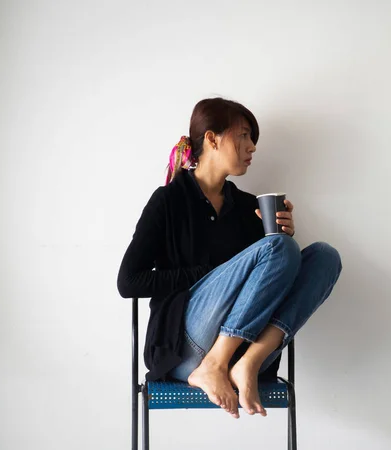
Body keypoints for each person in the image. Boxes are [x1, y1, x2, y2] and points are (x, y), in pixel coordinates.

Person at [117, 97, 343, 419]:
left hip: (243, 349)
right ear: (212, 138)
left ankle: (247, 363)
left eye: (252, 139)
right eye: (244, 135)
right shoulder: (168, 201)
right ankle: (212, 364)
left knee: (325, 256)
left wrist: (283, 239)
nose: (252, 147)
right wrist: (208, 273)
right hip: (184, 350)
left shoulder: (247, 207)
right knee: (279, 248)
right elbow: (128, 282)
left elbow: (265, 286)